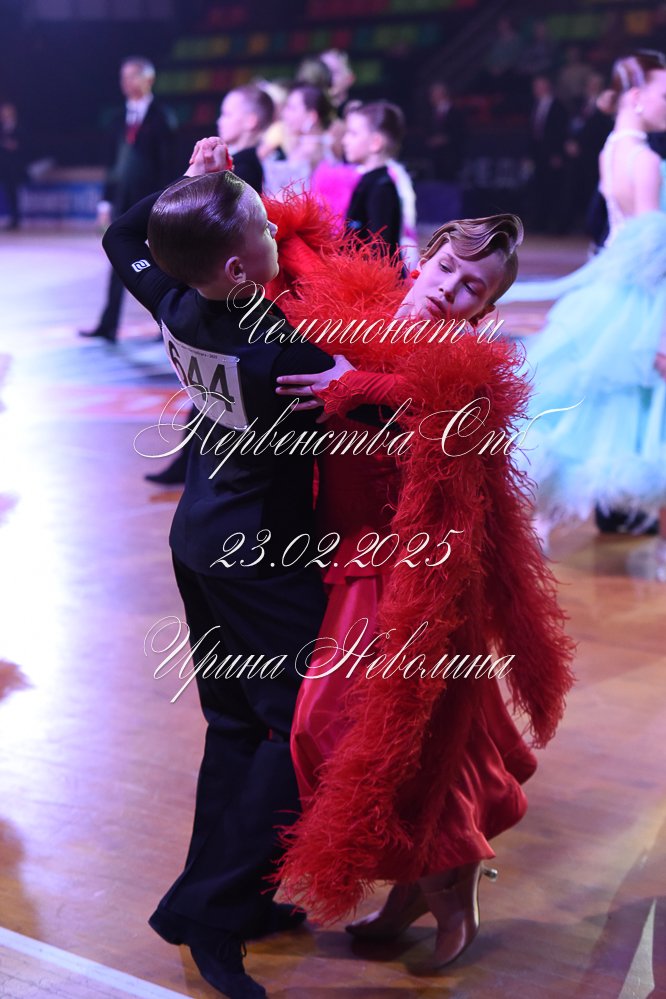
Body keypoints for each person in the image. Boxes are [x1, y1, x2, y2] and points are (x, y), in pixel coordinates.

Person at [261, 198, 575, 965]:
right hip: (350, 555)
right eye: (448, 268)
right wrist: (226, 184)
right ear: (426, 254)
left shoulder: (465, 358)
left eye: (474, 288)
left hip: (411, 571)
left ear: (488, 306)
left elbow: (449, 404)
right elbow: (291, 261)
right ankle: (416, 886)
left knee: (361, 729)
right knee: (417, 736)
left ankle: (451, 885)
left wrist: (356, 385)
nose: (451, 289)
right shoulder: (365, 309)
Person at [103, 136, 340, 998]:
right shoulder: (285, 353)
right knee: (298, 732)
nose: (278, 230)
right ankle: (212, 909)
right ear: (240, 268)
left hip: (200, 540)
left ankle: (222, 899)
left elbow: (121, 237)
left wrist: (196, 182)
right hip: (261, 561)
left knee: (237, 726)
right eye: (265, 227)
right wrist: (361, 382)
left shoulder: (176, 298)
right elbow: (375, 420)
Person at [500, 51, 666, 558]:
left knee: (589, 406)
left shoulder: (612, 149)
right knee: (637, 412)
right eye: (664, 94)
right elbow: (652, 250)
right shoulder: (646, 159)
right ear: (636, 96)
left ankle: (542, 522)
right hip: (639, 295)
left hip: (609, 290)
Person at [80, 57, 177, 343]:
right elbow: (112, 165)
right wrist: (105, 203)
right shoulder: (116, 120)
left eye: (133, 75)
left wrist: (166, 201)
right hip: (123, 202)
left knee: (164, 262)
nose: (126, 81)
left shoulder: (163, 117)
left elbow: (167, 164)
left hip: (153, 202)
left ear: (149, 79)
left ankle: (170, 324)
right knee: (117, 259)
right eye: (123, 76)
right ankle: (108, 325)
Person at [343, 101, 404, 260]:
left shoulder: (381, 188)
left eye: (353, 134)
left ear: (375, 143)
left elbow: (379, 250)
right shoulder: (369, 182)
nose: (345, 141)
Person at [0, 102, 24, 230]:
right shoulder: (1, 128)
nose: (4, 114)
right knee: (7, 192)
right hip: (3, 166)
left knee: (14, 192)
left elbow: (25, 145)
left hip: (14, 167)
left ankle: (16, 219)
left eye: (7, 112)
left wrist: (15, 146)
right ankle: (9, 218)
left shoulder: (20, 128)